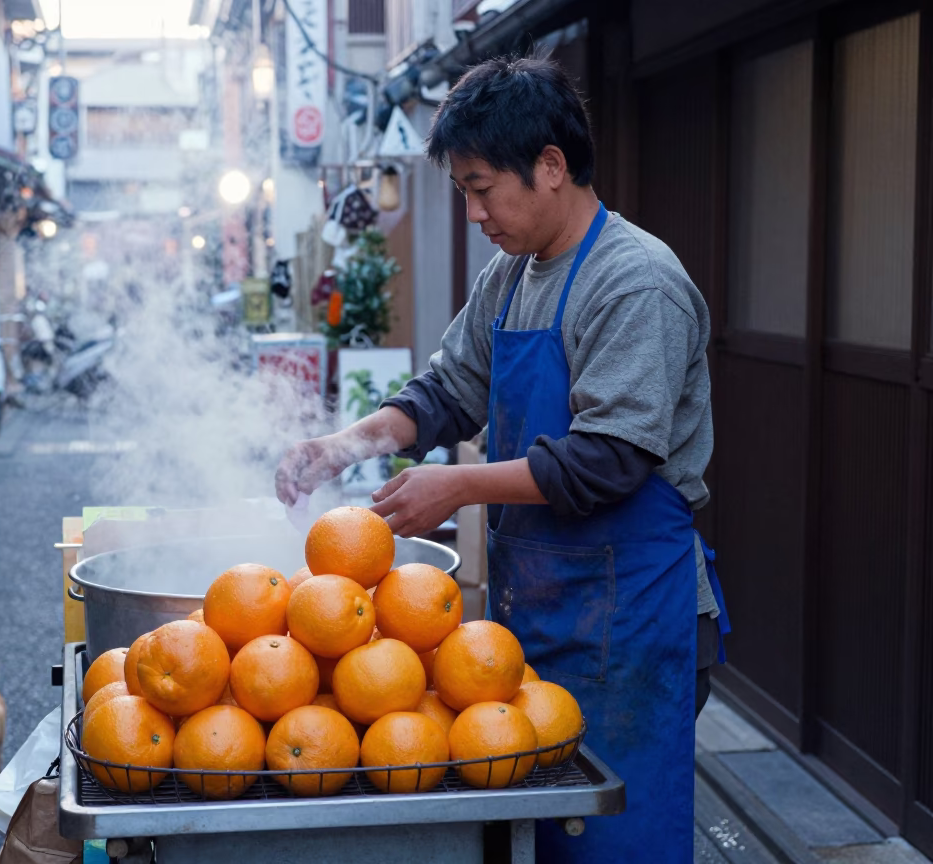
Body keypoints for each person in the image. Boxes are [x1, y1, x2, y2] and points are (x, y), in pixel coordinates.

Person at [275, 54, 729, 862]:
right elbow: (448, 390)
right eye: (464, 193)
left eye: (483, 188)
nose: (475, 212)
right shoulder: (511, 276)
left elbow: (609, 461)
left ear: (550, 167)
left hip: (632, 617)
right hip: (534, 616)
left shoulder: (635, 283)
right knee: (533, 835)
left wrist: (457, 486)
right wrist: (342, 447)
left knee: (616, 837)